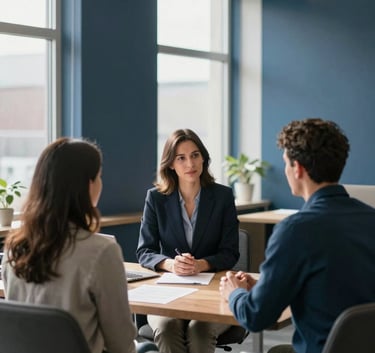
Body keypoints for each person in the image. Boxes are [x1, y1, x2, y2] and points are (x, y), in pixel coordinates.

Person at [219, 118, 375, 353]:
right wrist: (265, 285)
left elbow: (256, 317)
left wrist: (235, 293)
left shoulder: (295, 230)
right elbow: (334, 282)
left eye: (285, 163)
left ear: (298, 168)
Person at [1, 137, 154, 353]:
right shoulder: (101, 252)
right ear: (88, 185)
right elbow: (120, 344)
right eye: (99, 176)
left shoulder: (14, 249)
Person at [136, 128, 240, 353]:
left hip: (213, 290)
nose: (190, 164)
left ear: (203, 158)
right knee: (166, 328)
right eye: (181, 158)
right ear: (171, 164)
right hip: (169, 291)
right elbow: (145, 250)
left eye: (195, 155)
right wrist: (170, 264)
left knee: (199, 331)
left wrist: (202, 264)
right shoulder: (155, 198)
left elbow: (230, 253)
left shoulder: (222, 197)